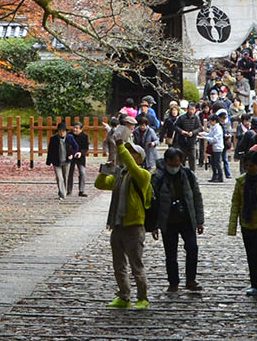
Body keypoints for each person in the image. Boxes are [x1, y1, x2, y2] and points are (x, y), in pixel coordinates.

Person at [94, 125, 154, 309]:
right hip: (118, 225)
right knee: (118, 264)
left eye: (133, 153)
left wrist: (121, 145)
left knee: (136, 265)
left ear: (140, 158)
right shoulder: (121, 176)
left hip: (134, 225)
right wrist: (105, 171)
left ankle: (142, 298)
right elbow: (100, 185)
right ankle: (124, 296)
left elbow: (130, 163)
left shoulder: (142, 175)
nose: (128, 155)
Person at [149, 147, 205, 292]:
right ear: (167, 162)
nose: (175, 167)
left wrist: (200, 220)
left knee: (193, 248)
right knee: (170, 254)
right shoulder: (158, 178)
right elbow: (152, 203)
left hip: (187, 219)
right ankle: (173, 282)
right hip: (168, 221)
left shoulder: (187, 175)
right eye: (173, 164)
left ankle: (190, 280)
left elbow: (196, 197)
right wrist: (153, 225)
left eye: (178, 164)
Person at [227, 148, 257, 297]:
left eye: (251, 165)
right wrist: (232, 226)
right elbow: (236, 203)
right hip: (246, 223)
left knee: (256, 254)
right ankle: (255, 284)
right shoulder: (242, 182)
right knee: (251, 256)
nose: (249, 168)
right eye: (246, 165)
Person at [47, 124, 72, 197]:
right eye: (60, 131)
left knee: (65, 177)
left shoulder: (69, 138)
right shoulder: (53, 139)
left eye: (63, 131)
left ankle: (63, 190)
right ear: (57, 131)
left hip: (66, 160)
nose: (62, 133)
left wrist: (72, 154)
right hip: (56, 160)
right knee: (59, 177)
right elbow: (50, 150)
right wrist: (49, 161)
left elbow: (75, 146)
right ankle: (62, 193)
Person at [64, 123, 90, 195]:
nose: (75, 129)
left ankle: (81, 190)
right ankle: (69, 190)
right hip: (70, 156)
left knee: (82, 172)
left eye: (77, 128)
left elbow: (86, 147)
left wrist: (81, 153)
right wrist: (70, 153)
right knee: (69, 173)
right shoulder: (69, 135)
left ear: (81, 129)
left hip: (80, 157)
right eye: (74, 127)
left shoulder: (84, 136)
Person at [205, 113, 228, 182]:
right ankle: (215, 176)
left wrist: (205, 138)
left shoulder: (218, 128)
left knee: (217, 163)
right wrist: (203, 134)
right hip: (214, 147)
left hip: (218, 147)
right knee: (213, 163)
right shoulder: (214, 127)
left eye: (211, 121)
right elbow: (210, 134)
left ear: (214, 121)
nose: (210, 122)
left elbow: (215, 139)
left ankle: (220, 177)